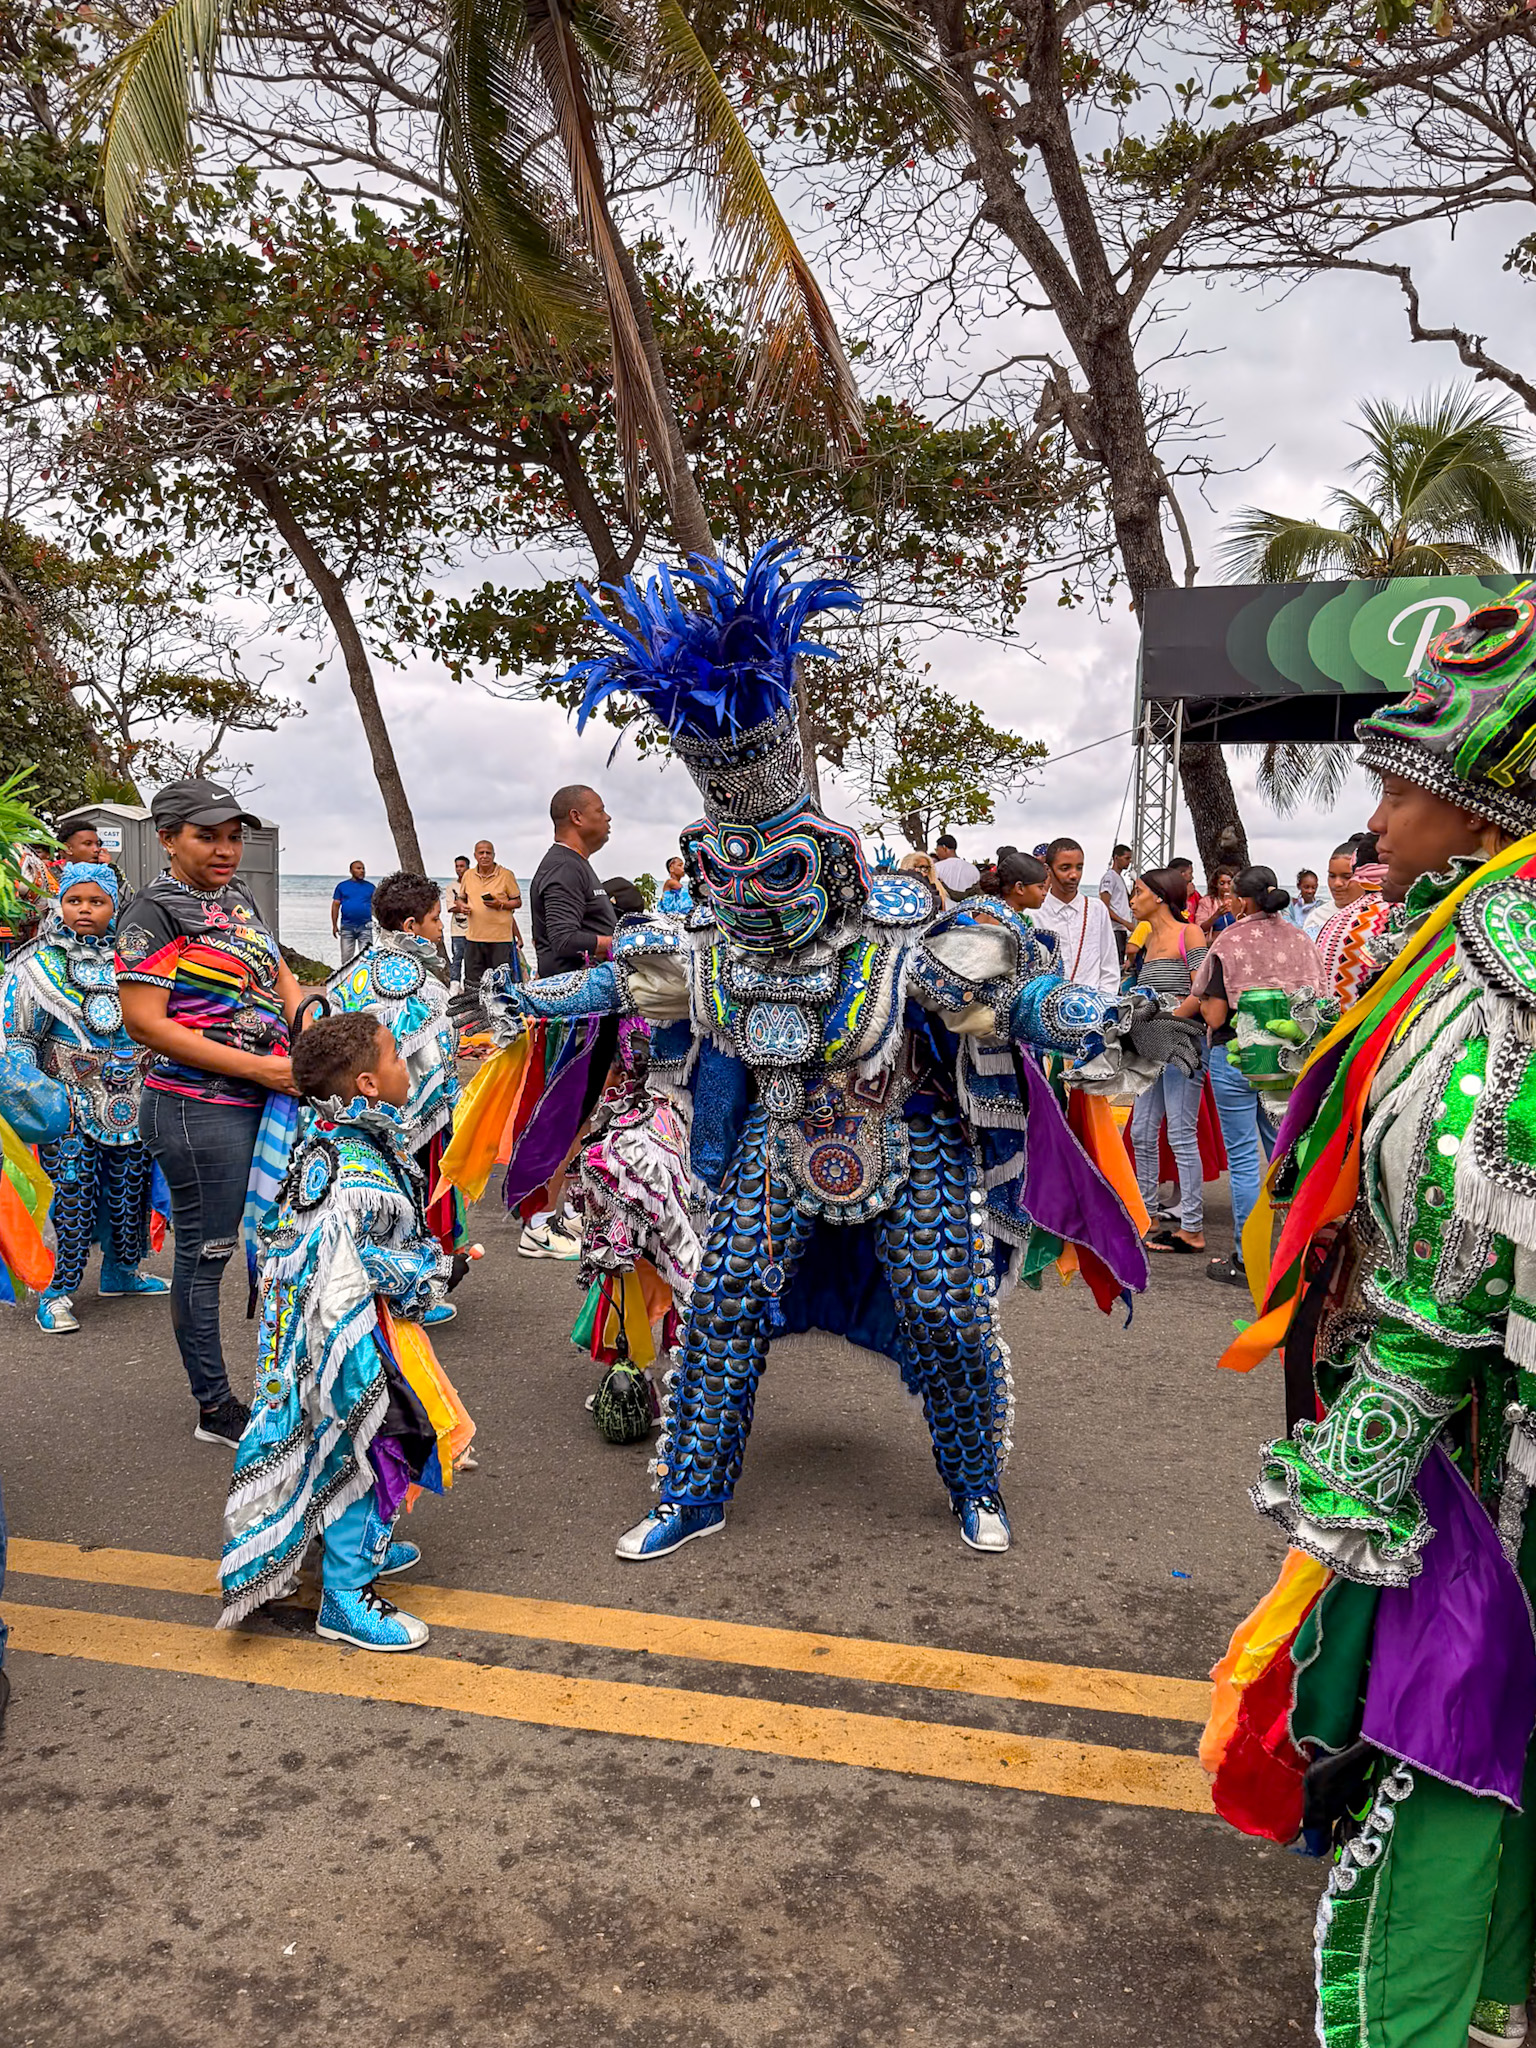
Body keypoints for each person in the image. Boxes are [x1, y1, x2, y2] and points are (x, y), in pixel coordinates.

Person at [469, 541, 1158, 1563]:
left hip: (907, 1139)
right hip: (775, 1146)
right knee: (723, 1307)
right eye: (729, 874)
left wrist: (1096, 1020)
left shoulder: (904, 935)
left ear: (830, 861)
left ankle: (975, 1482)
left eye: (775, 871)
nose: (752, 895)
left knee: (945, 1313)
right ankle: (692, 1491)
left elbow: (1013, 998)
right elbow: (620, 984)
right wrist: (521, 1000)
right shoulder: (713, 946)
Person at [1204, 597, 1536, 2048]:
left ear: (1481, 801)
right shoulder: (1449, 924)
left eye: (1405, 782)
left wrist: (1378, 1427)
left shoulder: (1512, 951)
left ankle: (1429, 2007)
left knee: (1456, 1716)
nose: (1377, 805)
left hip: (1471, 1423)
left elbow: (1472, 1222)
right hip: (1438, 1396)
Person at [218, 1012, 474, 1653]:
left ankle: (355, 1551)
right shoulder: (356, 1171)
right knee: (378, 1446)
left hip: (324, 1323)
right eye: (393, 1058)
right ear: (365, 1083)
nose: (403, 1067)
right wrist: (443, 1267)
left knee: (342, 1444)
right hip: (347, 1331)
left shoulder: (329, 1135)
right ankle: (347, 1597)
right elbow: (368, 1262)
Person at [115, 778, 301, 1448]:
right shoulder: (151, 914)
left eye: (233, 836)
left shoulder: (238, 898)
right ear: (167, 838)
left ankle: (290, 1380)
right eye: (207, 836)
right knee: (207, 1254)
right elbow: (145, 1024)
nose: (226, 849)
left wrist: (310, 1031)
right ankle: (215, 1407)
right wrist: (261, 1067)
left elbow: (279, 976)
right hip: (198, 1110)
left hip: (268, 1097)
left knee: (284, 1243)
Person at [0, 863, 169, 1332]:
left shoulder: (136, 960)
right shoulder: (36, 965)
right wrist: (34, 1098)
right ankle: (56, 1292)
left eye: (96, 901)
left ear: (115, 906)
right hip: (69, 1104)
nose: (85, 910)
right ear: (60, 904)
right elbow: (19, 1037)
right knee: (72, 1197)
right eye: (75, 900)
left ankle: (122, 1271)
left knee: (129, 1196)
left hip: (134, 1100)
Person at [326, 871, 464, 1317]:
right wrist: (441, 1110)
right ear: (411, 926)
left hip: (352, 1110)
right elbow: (424, 1063)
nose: (441, 927)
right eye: (435, 919)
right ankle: (412, 1291)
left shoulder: (354, 970)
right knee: (407, 1202)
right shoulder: (412, 982)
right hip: (407, 1116)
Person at [1176, 865, 1322, 1287]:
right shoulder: (1300, 939)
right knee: (1283, 1152)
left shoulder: (1230, 939)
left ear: (1241, 899)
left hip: (1237, 1055)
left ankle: (1247, 1257)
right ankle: (1298, 1252)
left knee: (1243, 1161)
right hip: (1289, 1058)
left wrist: (1200, 1007)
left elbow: (1216, 1012)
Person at [1126, 870, 1206, 1256]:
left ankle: (1192, 1227)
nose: (1132, 899)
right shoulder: (1147, 940)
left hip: (1181, 1045)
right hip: (1151, 1047)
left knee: (1180, 1132)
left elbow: (1201, 989)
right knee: (1141, 1130)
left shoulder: (1187, 933)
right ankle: (1148, 1214)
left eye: (1138, 891)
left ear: (1159, 896)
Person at [530, 786, 616, 976]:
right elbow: (564, 940)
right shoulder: (564, 867)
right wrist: (627, 943)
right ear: (576, 817)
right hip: (575, 995)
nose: (608, 817)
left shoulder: (574, 863)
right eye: (600, 811)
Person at [1312, 831, 1397, 1010]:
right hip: (1359, 1030)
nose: (1337, 884)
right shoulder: (1392, 913)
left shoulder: (1340, 918)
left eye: (1346, 876)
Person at [1031, 837, 1121, 998]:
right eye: (1065, 868)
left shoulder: (1096, 909)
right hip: (1047, 1010)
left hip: (1095, 1008)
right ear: (1048, 869)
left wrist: (1103, 1003)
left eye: (1079, 868)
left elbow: (1109, 965)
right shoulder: (1034, 914)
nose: (1074, 875)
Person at [459, 840, 523, 997]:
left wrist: (500, 904)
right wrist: (462, 906)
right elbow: (460, 898)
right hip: (474, 938)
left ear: (494, 855)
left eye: (488, 852)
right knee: (472, 983)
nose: (485, 856)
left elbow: (518, 902)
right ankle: (473, 1015)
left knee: (501, 983)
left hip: (500, 939)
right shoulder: (468, 875)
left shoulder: (506, 875)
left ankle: (502, 1016)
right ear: (475, 855)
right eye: (481, 853)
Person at [331, 859, 376, 966]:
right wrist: (334, 925)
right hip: (347, 926)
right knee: (346, 960)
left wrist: (382, 923)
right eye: (358, 868)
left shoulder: (370, 887)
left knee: (367, 959)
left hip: (365, 926)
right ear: (351, 871)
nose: (362, 871)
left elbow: (376, 907)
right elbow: (335, 906)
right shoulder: (342, 886)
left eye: (363, 869)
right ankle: (346, 980)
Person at [1098, 843, 1135, 961]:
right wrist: (1125, 923)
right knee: (1115, 962)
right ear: (1116, 857)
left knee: (1120, 960)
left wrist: (1135, 883)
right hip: (1114, 929)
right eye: (1126, 858)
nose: (1129, 862)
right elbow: (1105, 907)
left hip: (1121, 929)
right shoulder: (1110, 877)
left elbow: (1130, 902)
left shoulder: (1119, 878)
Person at [993, 848, 1050, 917]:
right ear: (1020, 888)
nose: (1045, 893)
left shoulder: (1012, 916)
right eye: (1040, 887)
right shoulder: (995, 922)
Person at [446, 855, 471, 987]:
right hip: (457, 930)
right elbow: (451, 907)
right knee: (457, 959)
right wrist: (462, 906)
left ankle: (469, 986)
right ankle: (454, 986)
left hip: (474, 930)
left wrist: (459, 904)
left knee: (471, 960)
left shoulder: (473, 886)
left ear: (468, 868)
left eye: (462, 866)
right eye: (457, 866)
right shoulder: (452, 887)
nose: (459, 869)